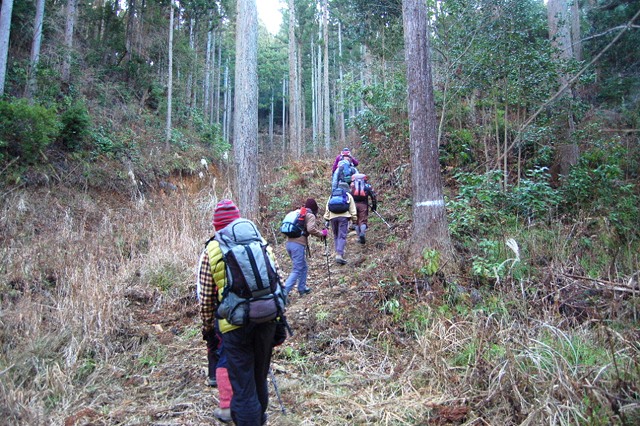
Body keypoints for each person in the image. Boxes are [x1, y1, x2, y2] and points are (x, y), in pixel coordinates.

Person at [197, 199, 282, 426]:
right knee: (259, 378)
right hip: (267, 319)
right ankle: (259, 419)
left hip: (235, 326)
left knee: (243, 387)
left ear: (217, 226)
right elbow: (277, 281)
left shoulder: (212, 249)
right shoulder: (260, 241)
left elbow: (205, 299)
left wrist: (208, 331)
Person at [283, 198, 328, 297]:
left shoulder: (298, 213)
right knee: (297, 269)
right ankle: (283, 293)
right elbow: (311, 229)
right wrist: (321, 234)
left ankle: (302, 288)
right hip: (298, 245)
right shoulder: (310, 215)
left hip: (289, 243)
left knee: (303, 266)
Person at [324, 183, 357, 264]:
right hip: (343, 217)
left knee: (336, 235)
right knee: (342, 236)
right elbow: (352, 209)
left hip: (333, 217)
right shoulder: (348, 195)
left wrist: (327, 219)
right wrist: (354, 220)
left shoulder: (332, 195)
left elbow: (328, 207)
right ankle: (339, 254)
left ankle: (337, 251)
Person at [350, 173, 377, 244]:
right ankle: (362, 233)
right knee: (363, 221)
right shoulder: (367, 186)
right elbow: (373, 195)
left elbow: (347, 195)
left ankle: (359, 237)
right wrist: (374, 206)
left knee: (356, 222)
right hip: (363, 205)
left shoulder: (352, 186)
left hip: (353, 205)